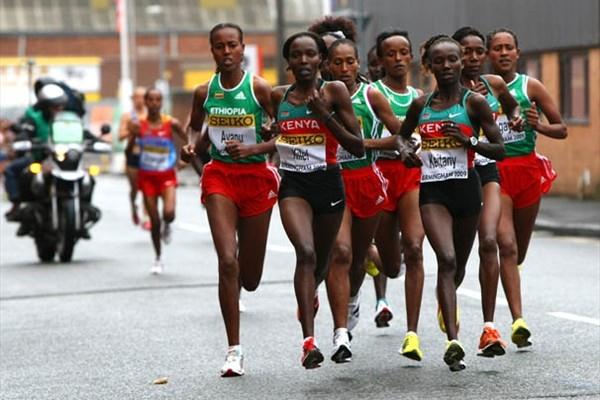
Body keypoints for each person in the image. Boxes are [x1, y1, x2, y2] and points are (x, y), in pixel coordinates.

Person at [399, 34, 505, 371]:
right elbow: (403, 137)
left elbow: (499, 148)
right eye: (439, 61)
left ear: (461, 63)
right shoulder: (421, 106)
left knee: (457, 265)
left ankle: (447, 310)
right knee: (444, 259)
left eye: (452, 60)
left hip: (467, 191)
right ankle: (453, 341)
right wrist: (407, 154)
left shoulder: (474, 103)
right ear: (428, 66)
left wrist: (470, 140)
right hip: (433, 192)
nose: (446, 66)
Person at [181, 23, 279, 378]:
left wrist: (262, 141)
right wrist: (192, 144)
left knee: (250, 278)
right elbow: (193, 126)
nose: (226, 52)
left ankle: (240, 280)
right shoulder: (204, 91)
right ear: (212, 51)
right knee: (226, 260)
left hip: (256, 178)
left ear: (242, 49)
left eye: (232, 46)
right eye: (219, 46)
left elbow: (285, 132)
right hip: (220, 174)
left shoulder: (259, 88)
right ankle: (234, 351)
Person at [272, 31, 364, 369]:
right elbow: (274, 134)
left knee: (325, 261)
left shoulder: (335, 91)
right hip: (294, 185)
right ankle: (309, 342)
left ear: (321, 61)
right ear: (289, 63)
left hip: (329, 183)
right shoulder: (277, 96)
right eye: (297, 55)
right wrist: (270, 134)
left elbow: (356, 145)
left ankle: (312, 293)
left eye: (311, 55)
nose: (304, 61)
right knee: (306, 253)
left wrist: (325, 115)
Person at [486, 28, 567, 348]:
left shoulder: (530, 86)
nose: (503, 53)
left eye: (509, 48)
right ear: (489, 54)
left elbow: (561, 129)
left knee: (518, 247)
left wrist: (538, 125)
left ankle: (512, 277)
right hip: (497, 173)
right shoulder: (481, 90)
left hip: (528, 171)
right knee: (505, 245)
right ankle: (519, 320)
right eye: (497, 48)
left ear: (517, 53)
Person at [324, 38, 403, 363]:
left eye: (349, 62)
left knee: (357, 259)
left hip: (367, 181)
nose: (343, 69)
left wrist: (362, 143)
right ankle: (341, 333)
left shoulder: (371, 95)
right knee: (340, 253)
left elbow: (399, 135)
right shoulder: (321, 96)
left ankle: (354, 296)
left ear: (358, 64)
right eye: (337, 63)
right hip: (333, 181)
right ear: (327, 66)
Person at [452, 26, 524, 358]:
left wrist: (517, 117)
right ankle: (448, 297)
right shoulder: (444, 92)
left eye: (478, 51)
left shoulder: (493, 84)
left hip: (486, 168)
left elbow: (511, 107)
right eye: (466, 52)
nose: (473, 57)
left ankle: (489, 327)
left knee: (490, 240)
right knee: (455, 257)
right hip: (453, 174)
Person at [366, 30, 426, 361]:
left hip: (412, 176)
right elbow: (396, 133)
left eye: (404, 52)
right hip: (382, 176)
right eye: (391, 54)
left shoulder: (419, 94)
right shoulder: (374, 94)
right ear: (381, 59)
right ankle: (371, 256)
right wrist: (399, 140)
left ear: (411, 57)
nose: (399, 59)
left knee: (415, 248)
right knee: (391, 266)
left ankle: (412, 334)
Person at [130, 88, 185, 275]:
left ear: (162, 103)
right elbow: (129, 148)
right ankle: (158, 257)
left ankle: (167, 225)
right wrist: (132, 160)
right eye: (150, 100)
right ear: (145, 102)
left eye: (158, 100)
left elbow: (189, 141)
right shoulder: (138, 125)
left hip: (167, 175)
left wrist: (184, 160)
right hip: (147, 177)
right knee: (154, 220)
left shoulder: (171, 123)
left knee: (168, 213)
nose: (154, 103)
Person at [4, 82, 67, 224]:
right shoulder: (34, 118)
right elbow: (25, 132)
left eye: (60, 105)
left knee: (88, 176)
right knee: (12, 170)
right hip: (38, 158)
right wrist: (25, 141)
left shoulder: (66, 119)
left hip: (63, 160)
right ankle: (17, 204)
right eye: (55, 106)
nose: (59, 109)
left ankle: (83, 206)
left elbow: (81, 132)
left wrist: (95, 140)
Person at [118, 87, 148, 227]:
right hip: (133, 155)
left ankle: (146, 215)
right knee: (135, 187)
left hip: (149, 155)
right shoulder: (128, 116)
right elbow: (120, 136)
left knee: (147, 186)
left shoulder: (151, 115)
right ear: (132, 99)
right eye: (137, 97)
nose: (140, 100)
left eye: (143, 97)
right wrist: (132, 130)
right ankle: (133, 205)